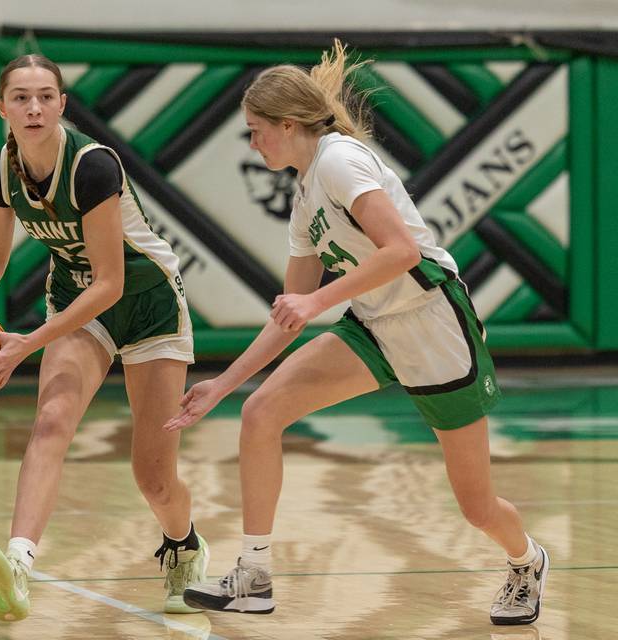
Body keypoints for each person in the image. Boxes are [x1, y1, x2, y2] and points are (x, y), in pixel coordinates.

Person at [163, 40, 548, 626]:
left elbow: (400, 251)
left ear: (287, 125)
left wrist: (317, 298)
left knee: (475, 506)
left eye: (255, 130)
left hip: (433, 323)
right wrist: (224, 384)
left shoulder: (341, 162)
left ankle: (526, 561)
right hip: (373, 322)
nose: (252, 142)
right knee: (260, 413)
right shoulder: (303, 196)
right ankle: (255, 575)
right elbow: (287, 315)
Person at [0, 54, 208, 621]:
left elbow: (111, 281)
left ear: (62, 104)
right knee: (51, 421)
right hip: (78, 298)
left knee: (153, 474)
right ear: (1, 107)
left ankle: (183, 546)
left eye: (46, 95)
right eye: (21, 97)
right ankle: (18, 564)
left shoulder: (94, 167)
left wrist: (28, 343)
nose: (34, 107)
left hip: (146, 303)